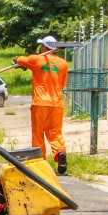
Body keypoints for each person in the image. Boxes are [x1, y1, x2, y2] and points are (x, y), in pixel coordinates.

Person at [14, 35, 69, 175]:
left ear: (44, 47)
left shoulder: (36, 59)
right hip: (56, 104)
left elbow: (20, 59)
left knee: (38, 133)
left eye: (41, 46)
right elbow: (62, 84)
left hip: (40, 103)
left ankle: (40, 163)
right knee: (55, 133)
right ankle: (60, 153)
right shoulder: (63, 64)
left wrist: (18, 62)